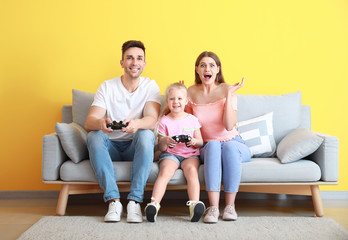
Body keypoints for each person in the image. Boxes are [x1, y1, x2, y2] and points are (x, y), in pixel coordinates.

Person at [85, 40, 161, 223]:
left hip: (134, 146)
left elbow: (151, 120)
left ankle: (134, 202)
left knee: (146, 134)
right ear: (122, 62)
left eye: (139, 58)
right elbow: (89, 122)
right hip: (110, 146)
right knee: (94, 135)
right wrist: (101, 123)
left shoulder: (151, 86)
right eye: (129, 58)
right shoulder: (107, 87)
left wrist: (136, 123)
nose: (134, 62)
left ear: (144, 63)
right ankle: (114, 201)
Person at [185, 51, 252, 223]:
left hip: (234, 143)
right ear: (197, 70)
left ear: (217, 70)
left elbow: (229, 126)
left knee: (228, 146)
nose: (207, 68)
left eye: (211, 65)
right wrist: (181, 100)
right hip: (208, 146)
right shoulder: (191, 92)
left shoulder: (227, 89)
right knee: (214, 145)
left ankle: (230, 207)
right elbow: (187, 126)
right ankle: (213, 208)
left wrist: (229, 95)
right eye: (203, 65)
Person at [145, 83, 205, 222]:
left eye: (179, 98)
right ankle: (154, 204)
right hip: (170, 154)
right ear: (167, 101)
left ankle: (194, 204)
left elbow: (201, 141)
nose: (176, 102)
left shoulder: (192, 119)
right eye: (172, 99)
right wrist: (165, 141)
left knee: (191, 172)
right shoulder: (164, 121)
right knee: (165, 172)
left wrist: (195, 141)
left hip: (190, 154)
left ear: (186, 101)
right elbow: (160, 146)